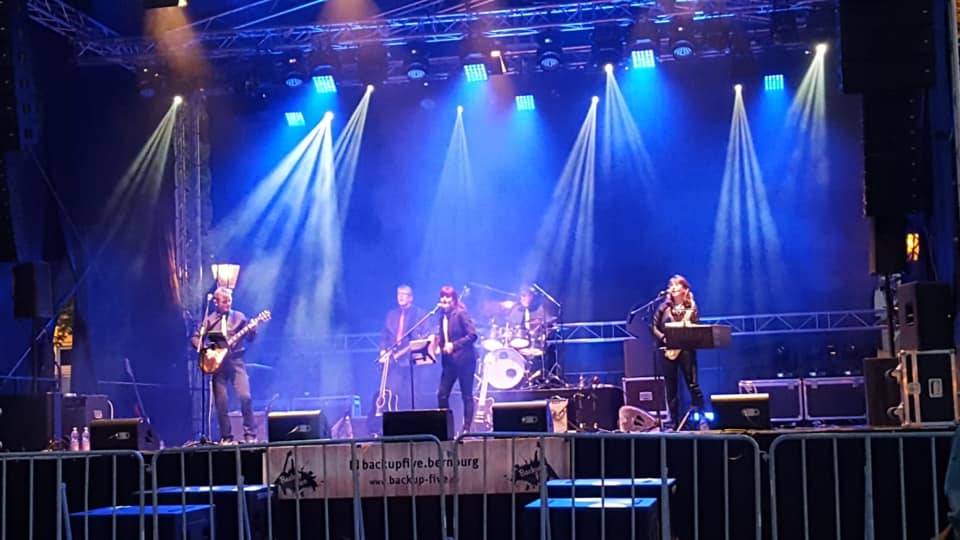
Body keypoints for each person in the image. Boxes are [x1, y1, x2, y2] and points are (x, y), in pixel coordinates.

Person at [191, 287, 259, 444]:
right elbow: (195, 338)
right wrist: (205, 349)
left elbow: (250, 339)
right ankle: (226, 437)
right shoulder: (209, 320)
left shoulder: (239, 317)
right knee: (221, 401)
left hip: (236, 361)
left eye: (229, 301)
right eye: (224, 301)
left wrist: (252, 331)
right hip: (218, 364)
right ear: (216, 302)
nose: (228, 304)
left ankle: (250, 435)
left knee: (245, 396)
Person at [651, 275, 706, 430]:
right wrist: (664, 338)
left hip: (686, 349)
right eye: (671, 285)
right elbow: (654, 326)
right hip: (668, 350)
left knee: (692, 384)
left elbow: (696, 325)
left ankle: (702, 418)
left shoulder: (691, 306)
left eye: (677, 285)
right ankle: (673, 423)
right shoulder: (663, 307)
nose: (673, 287)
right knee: (671, 387)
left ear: (684, 289)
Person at [376, 285, 429, 410]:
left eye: (403, 294)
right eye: (398, 294)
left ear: (410, 298)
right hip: (394, 361)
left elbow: (425, 335)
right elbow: (384, 335)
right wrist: (383, 351)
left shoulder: (419, 314)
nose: (400, 297)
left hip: (412, 361)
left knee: (412, 394)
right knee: (392, 391)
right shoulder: (391, 315)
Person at [435, 285, 478, 433]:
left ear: (453, 299)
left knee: (466, 395)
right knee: (442, 394)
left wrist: (454, 345)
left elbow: (473, 335)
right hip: (449, 362)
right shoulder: (441, 317)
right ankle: (446, 429)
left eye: (448, 297)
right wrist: (438, 345)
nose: (444, 299)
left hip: (465, 360)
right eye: (442, 296)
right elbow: (444, 338)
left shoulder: (460, 313)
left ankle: (466, 429)